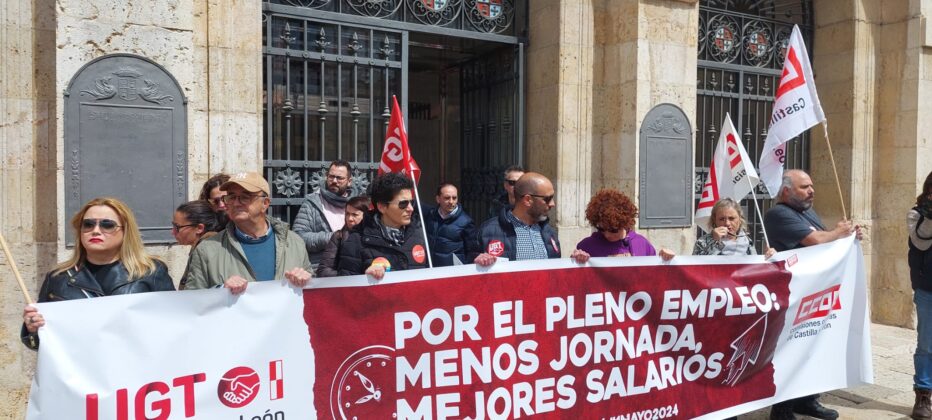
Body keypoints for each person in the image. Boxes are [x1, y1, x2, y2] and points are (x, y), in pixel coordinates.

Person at [764, 169, 860, 420]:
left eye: (812, 186)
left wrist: (848, 237)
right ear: (786, 191)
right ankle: (782, 409)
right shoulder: (778, 214)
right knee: (790, 352)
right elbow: (817, 240)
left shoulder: (807, 212)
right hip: (792, 296)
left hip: (813, 293)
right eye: (804, 187)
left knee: (812, 349)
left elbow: (827, 242)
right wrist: (839, 233)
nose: (812, 190)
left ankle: (807, 400)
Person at [21, 197, 175, 350]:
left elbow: (172, 326)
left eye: (107, 225)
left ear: (125, 231)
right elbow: (41, 345)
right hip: (81, 371)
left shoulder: (150, 271)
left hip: (134, 368)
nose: (95, 231)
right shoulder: (58, 278)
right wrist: (33, 330)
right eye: (88, 224)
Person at [184, 172, 312, 294]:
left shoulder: (295, 242)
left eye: (245, 197)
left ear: (265, 203)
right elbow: (192, 300)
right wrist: (221, 290)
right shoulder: (207, 249)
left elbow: (313, 294)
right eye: (231, 197)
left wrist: (306, 279)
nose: (236, 203)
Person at [475, 172, 588, 266]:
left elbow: (555, 275)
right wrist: (479, 261)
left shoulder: (549, 232)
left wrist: (574, 262)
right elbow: (469, 275)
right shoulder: (489, 231)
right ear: (528, 200)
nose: (552, 204)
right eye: (547, 199)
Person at [337, 173, 428, 279]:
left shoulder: (418, 234)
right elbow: (347, 288)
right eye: (403, 204)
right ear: (382, 207)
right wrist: (365, 279)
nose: (410, 209)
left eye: (411, 203)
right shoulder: (356, 241)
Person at [575, 188, 675, 260]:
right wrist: (576, 259)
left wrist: (666, 260)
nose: (607, 234)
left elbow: (655, 278)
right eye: (601, 229)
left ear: (624, 223)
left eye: (613, 229)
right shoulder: (587, 246)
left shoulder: (642, 244)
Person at [293, 160, 355, 266]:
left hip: (351, 268)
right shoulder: (312, 203)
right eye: (331, 176)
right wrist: (333, 237)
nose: (334, 181)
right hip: (320, 270)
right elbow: (298, 238)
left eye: (339, 178)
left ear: (349, 181)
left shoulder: (358, 204)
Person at [909, 170, 932, 420]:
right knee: (927, 344)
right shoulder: (916, 213)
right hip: (928, 288)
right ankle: (923, 394)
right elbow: (921, 242)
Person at [693, 198, 776, 259]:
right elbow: (696, 268)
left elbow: (755, 268)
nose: (727, 223)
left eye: (732, 218)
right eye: (722, 219)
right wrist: (715, 242)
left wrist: (769, 258)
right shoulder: (702, 242)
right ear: (715, 220)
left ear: (740, 219)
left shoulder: (747, 241)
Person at [424, 183, 478, 266]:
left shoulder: (466, 222)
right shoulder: (431, 215)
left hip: (452, 273)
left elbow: (473, 253)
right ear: (438, 199)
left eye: (454, 198)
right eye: (447, 198)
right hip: (431, 270)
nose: (451, 201)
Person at [172, 200, 221, 289]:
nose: (173, 232)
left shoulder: (209, 252)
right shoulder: (200, 247)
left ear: (199, 228)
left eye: (177, 227)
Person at [316, 196, 369, 278]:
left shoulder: (375, 237)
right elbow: (323, 270)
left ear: (366, 216)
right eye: (347, 214)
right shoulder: (339, 236)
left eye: (355, 215)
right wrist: (345, 276)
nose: (350, 218)